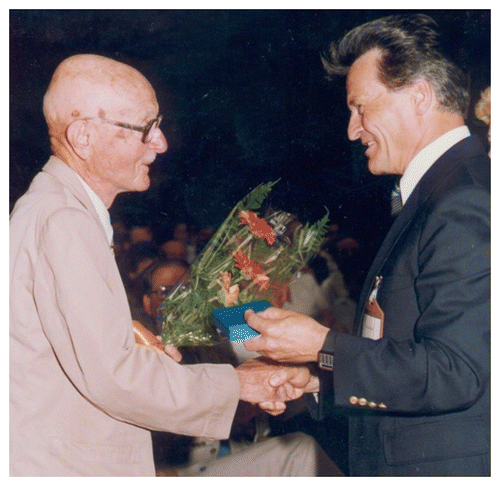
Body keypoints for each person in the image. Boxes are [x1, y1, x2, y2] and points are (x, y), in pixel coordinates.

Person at [9, 54, 316, 476]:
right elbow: (116, 378)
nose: (161, 143)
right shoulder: (64, 219)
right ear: (82, 136)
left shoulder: (52, 211)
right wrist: (239, 384)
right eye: (144, 129)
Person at [244, 14, 490, 476]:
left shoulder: (464, 200)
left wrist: (323, 346)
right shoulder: (443, 191)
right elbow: (407, 352)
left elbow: (456, 373)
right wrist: (318, 377)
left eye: (361, 107)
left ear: (419, 95)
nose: (352, 130)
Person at [139, 257, 341, 476]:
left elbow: (265, 354)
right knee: (301, 450)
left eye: (189, 288)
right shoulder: (141, 350)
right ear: (147, 303)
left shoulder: (218, 335)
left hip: (238, 450)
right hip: (182, 470)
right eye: (167, 290)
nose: (182, 299)